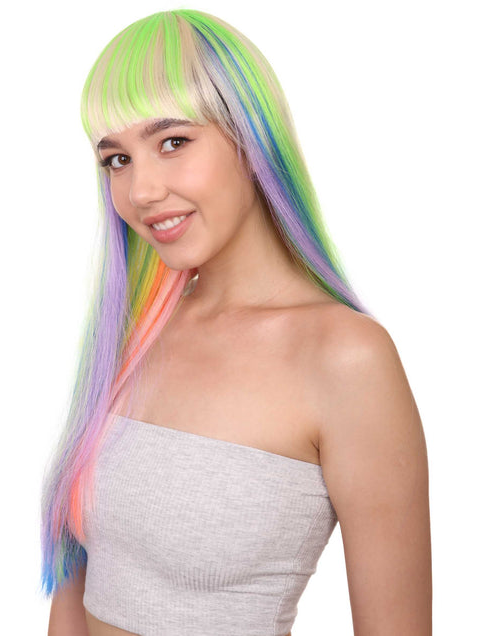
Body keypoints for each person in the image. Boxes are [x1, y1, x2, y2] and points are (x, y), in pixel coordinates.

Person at [41, 9, 432, 636]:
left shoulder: (346, 358)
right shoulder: (132, 333)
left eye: (173, 142)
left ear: (251, 140)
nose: (141, 191)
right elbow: (75, 585)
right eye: (116, 158)